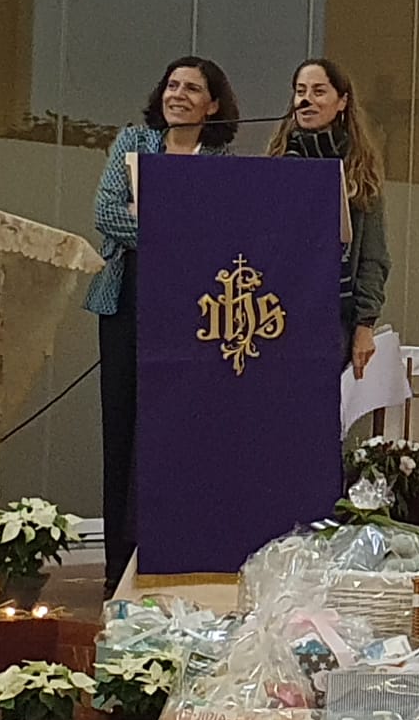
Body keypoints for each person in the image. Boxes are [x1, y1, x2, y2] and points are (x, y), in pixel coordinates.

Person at [86, 57, 240, 595]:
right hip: (125, 301)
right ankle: (116, 568)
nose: (178, 94)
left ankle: (169, 557)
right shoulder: (133, 142)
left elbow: (216, 232)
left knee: (172, 432)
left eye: (192, 88)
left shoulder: (221, 163)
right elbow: (107, 214)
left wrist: (152, 219)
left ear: (212, 105)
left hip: (187, 312)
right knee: (120, 430)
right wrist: (176, 228)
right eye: (173, 85)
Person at [266, 58, 390, 378]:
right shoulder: (275, 165)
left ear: (342, 101)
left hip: (333, 319)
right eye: (300, 92)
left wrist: (365, 325)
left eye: (319, 91)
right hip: (273, 310)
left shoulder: (359, 171)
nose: (306, 100)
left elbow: (373, 258)